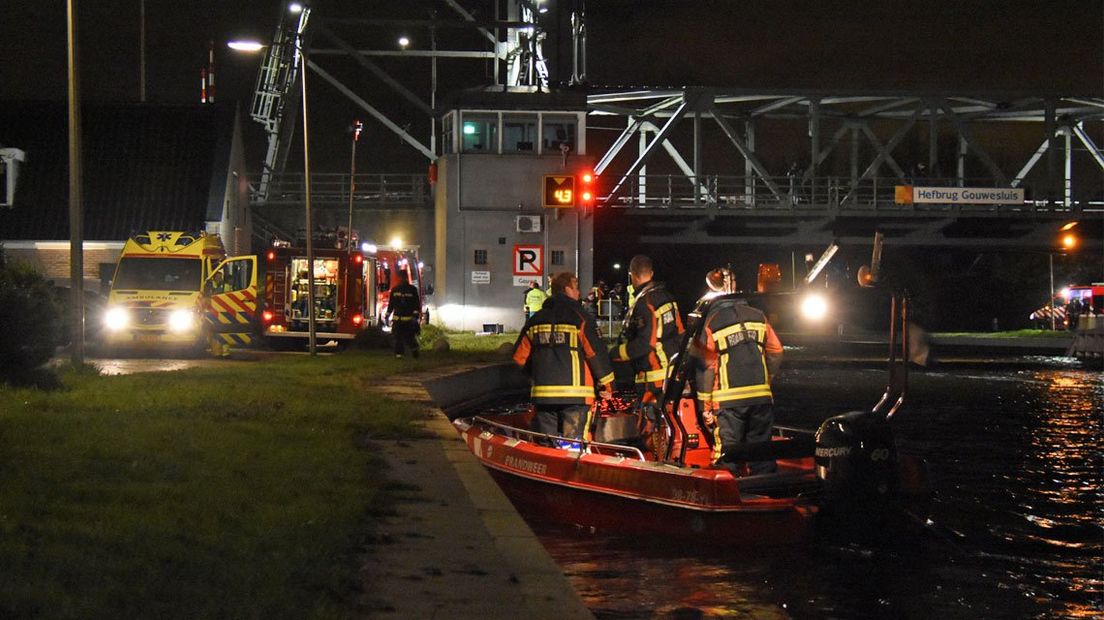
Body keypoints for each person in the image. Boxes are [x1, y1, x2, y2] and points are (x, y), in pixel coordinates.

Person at [691, 268, 783, 475]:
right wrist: (766, 380)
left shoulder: (712, 321)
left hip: (728, 402)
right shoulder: (758, 316)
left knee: (728, 454)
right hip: (761, 398)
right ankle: (768, 495)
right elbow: (776, 352)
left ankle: (728, 498)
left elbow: (706, 365)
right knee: (761, 453)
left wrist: (705, 406)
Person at [513, 272, 615, 441]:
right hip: (577, 396)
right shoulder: (581, 318)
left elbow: (519, 358)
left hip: (543, 397)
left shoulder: (535, 320)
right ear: (567, 289)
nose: (579, 293)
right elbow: (596, 354)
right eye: (576, 288)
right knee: (574, 445)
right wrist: (608, 386)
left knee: (545, 446)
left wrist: (538, 374)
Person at [611, 255, 684, 426]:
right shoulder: (668, 298)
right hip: (673, 375)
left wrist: (615, 353)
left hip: (652, 377)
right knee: (671, 425)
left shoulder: (645, 303)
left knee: (650, 430)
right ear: (651, 273)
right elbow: (681, 332)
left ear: (632, 275)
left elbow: (645, 343)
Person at [386, 270, 422, 358]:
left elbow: (416, 305)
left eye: (402, 277)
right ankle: (399, 355)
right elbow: (391, 305)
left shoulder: (410, 290)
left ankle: (414, 352)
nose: (402, 279)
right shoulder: (398, 290)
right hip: (399, 319)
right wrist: (387, 315)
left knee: (409, 338)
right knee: (398, 338)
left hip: (407, 320)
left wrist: (415, 316)